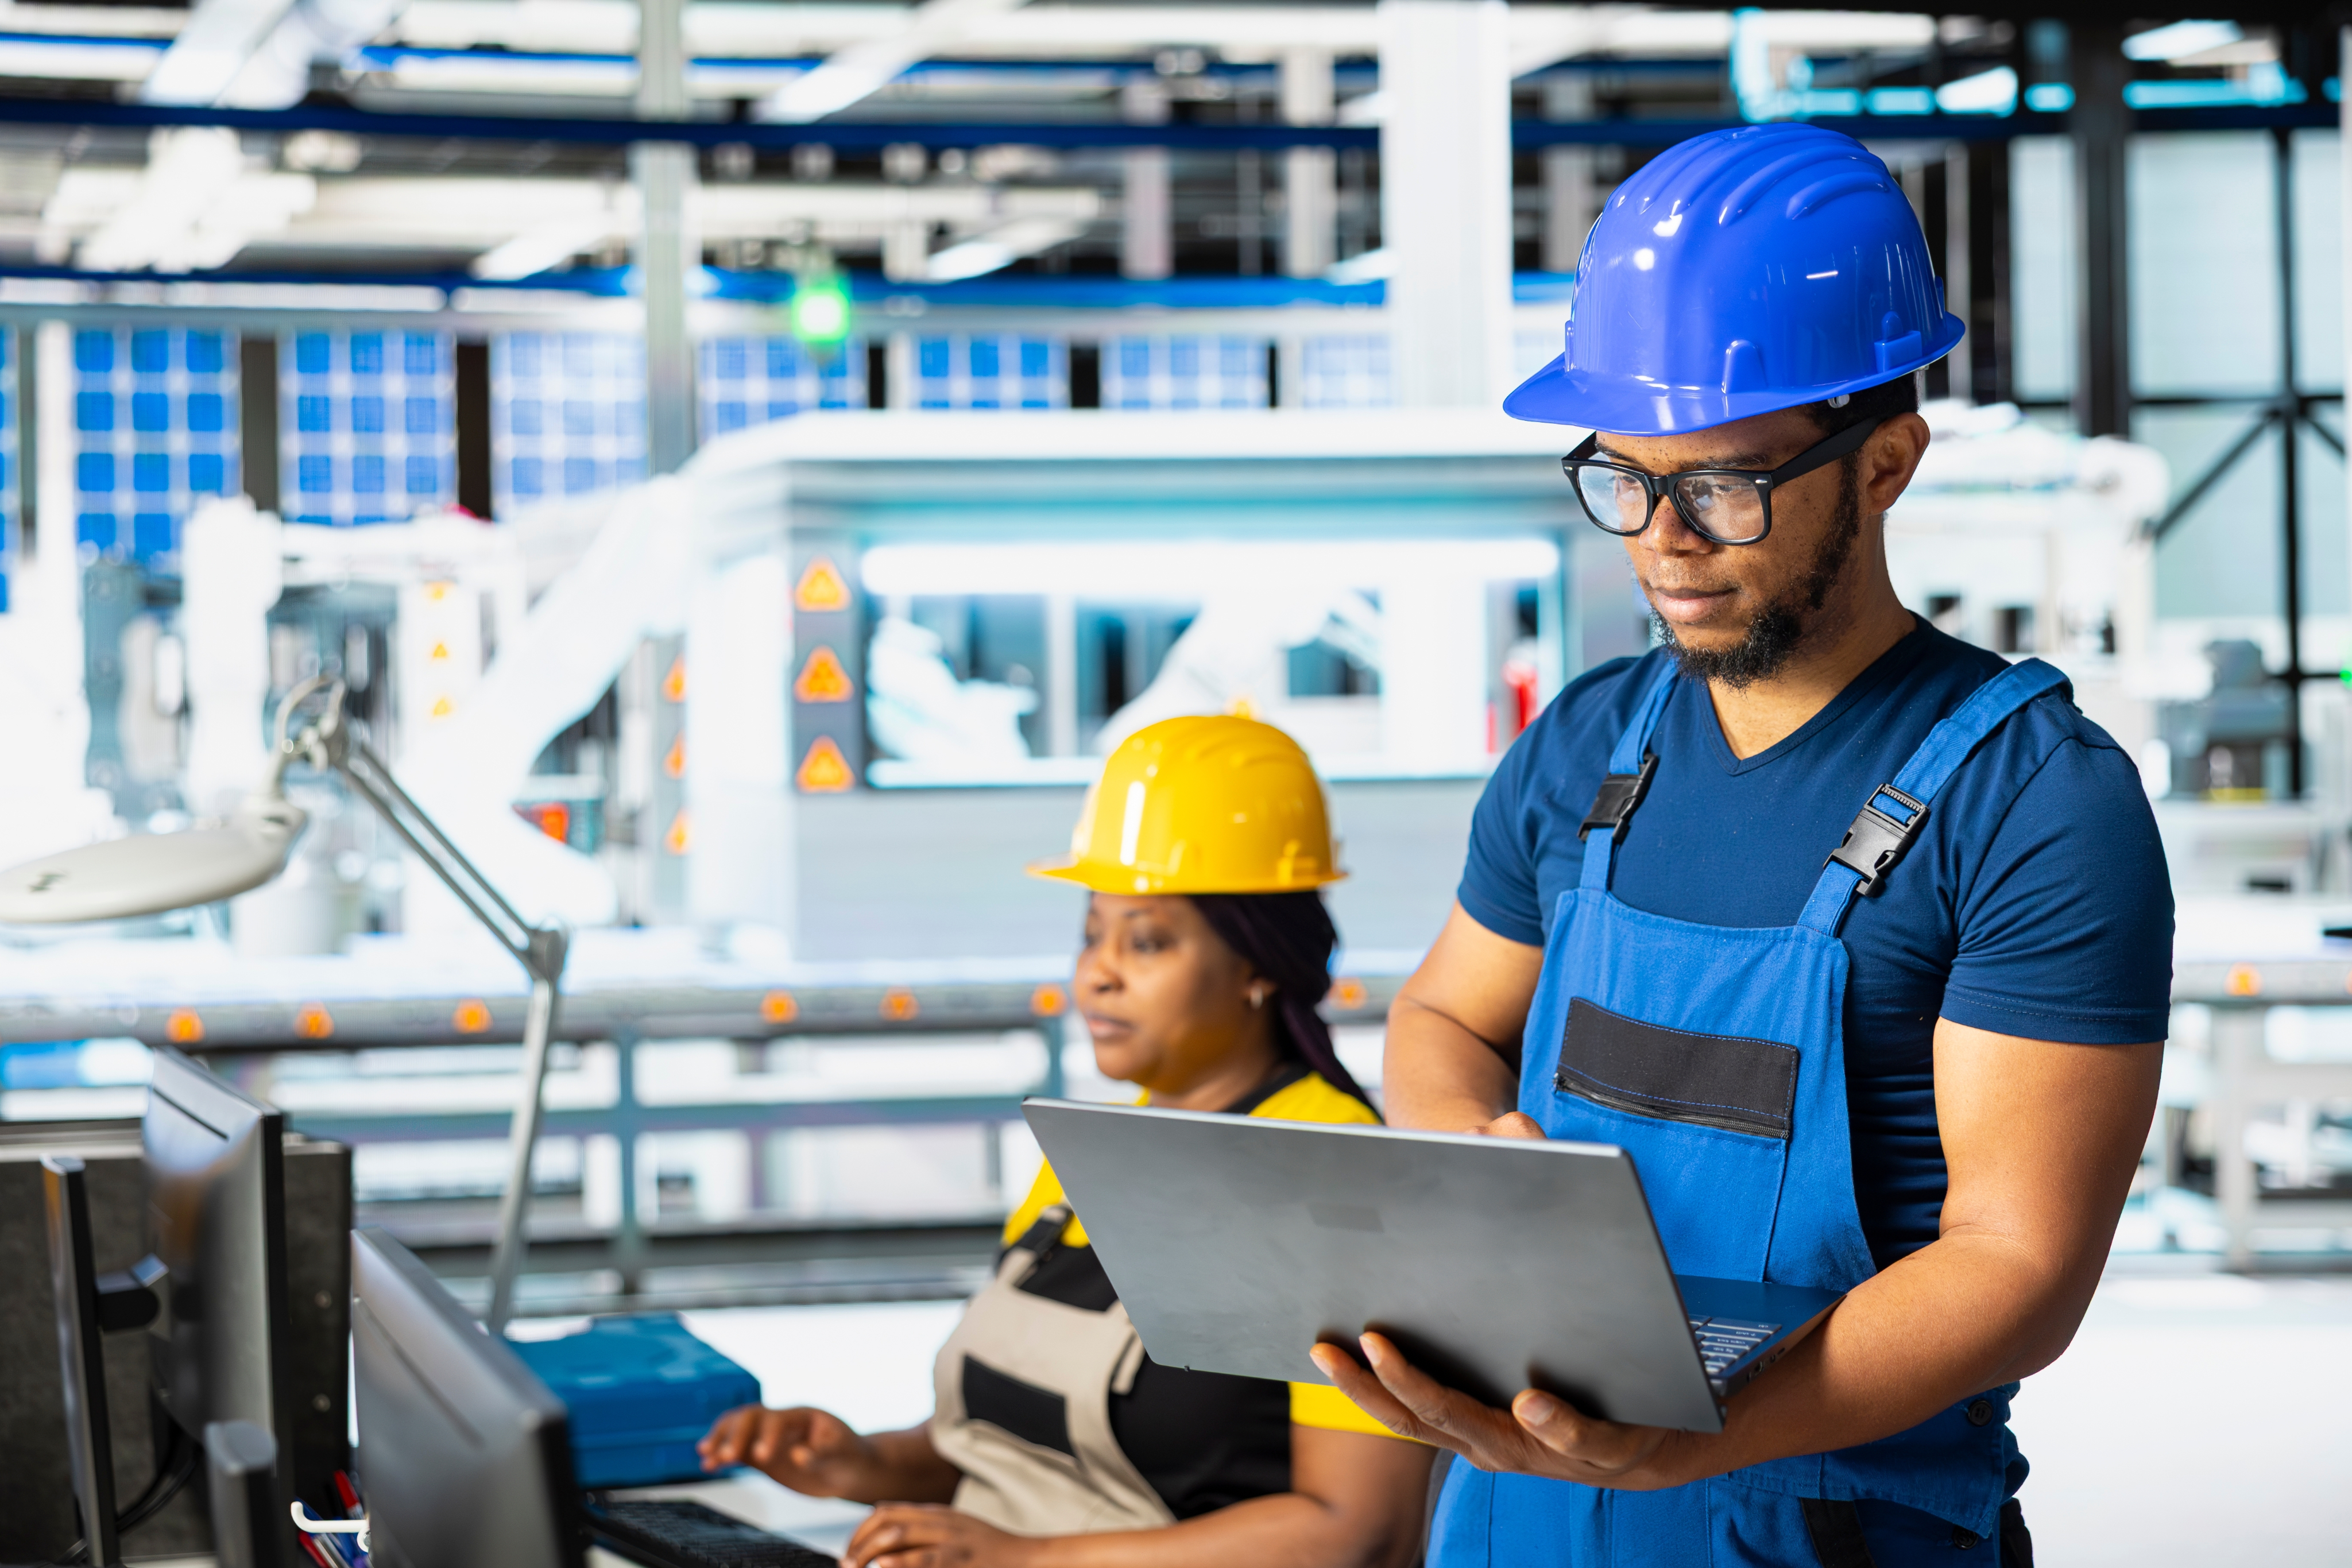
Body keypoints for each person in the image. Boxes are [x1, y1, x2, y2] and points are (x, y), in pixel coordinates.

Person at [1310, 122, 2171, 1566]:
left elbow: (2017, 1266)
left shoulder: (2032, 801)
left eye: (1721, 483)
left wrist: (1697, 1426)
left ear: (1885, 460)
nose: (1660, 539)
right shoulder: (1588, 747)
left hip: (1818, 1516)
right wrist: (1478, 1179)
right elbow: (1444, 1013)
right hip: (1515, 1507)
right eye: (1621, 477)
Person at [701, 715, 1433, 1568]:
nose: (1098, 972)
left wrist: (1022, 1562)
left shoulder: (1331, 1177)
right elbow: (1007, 1452)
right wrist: (862, 1462)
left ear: (1258, 964)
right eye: (1092, 934)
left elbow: (1359, 1529)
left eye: (1147, 940)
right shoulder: (1094, 1151)